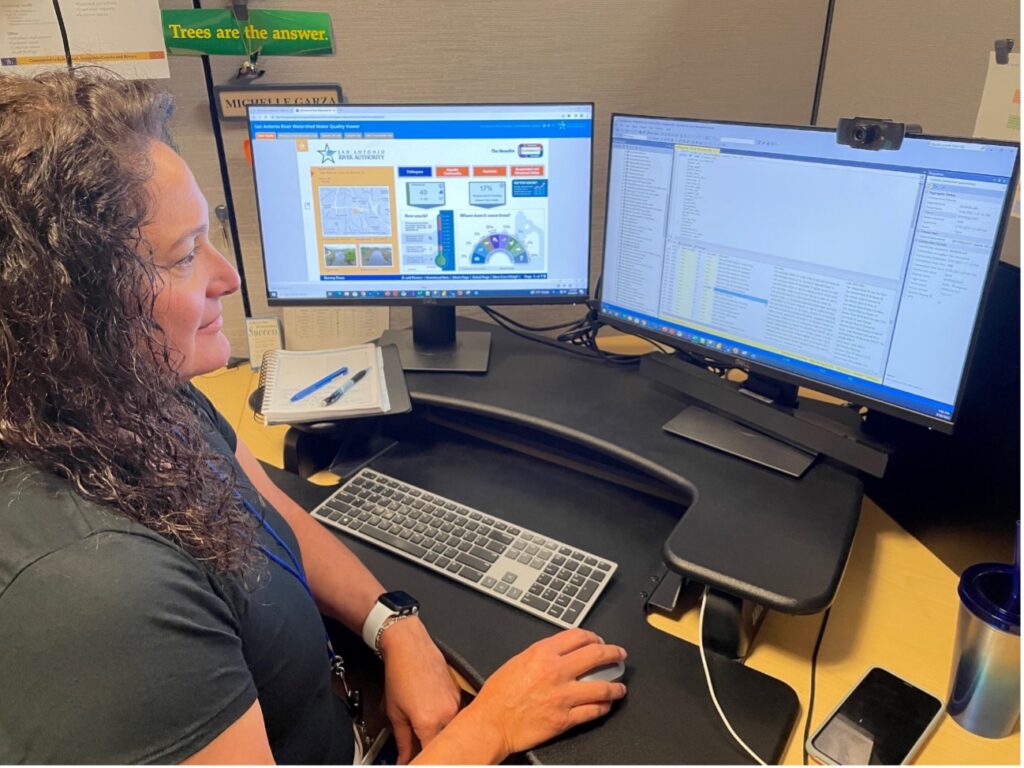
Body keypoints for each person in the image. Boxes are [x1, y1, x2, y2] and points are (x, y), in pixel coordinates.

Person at [0, 69, 627, 764]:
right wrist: (496, 726)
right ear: (66, 306)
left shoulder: (129, 396)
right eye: (185, 255)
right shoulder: (99, 595)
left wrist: (396, 626)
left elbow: (267, 510)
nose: (228, 277)